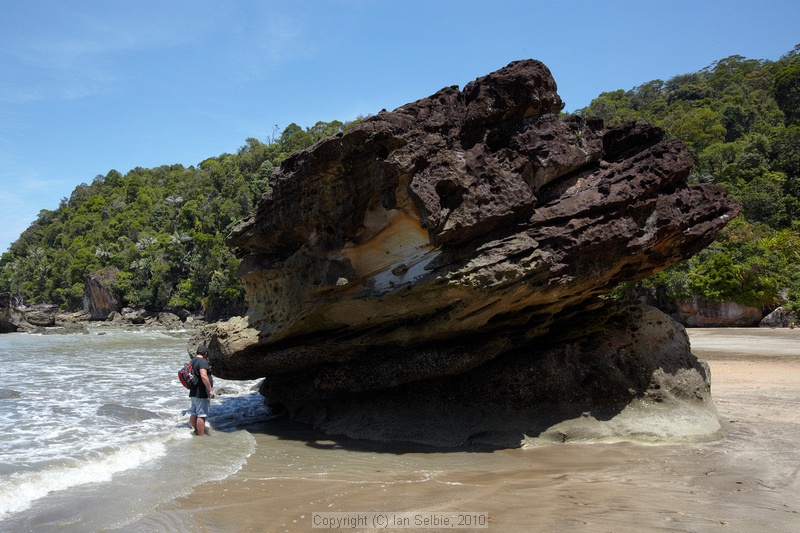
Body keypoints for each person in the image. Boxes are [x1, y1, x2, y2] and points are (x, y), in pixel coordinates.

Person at [188, 344, 215, 436]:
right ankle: (201, 436)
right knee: (201, 415)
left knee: (194, 412)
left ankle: (191, 432)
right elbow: (203, 375)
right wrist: (210, 390)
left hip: (193, 391)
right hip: (201, 392)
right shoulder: (203, 362)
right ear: (206, 353)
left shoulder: (192, 361)